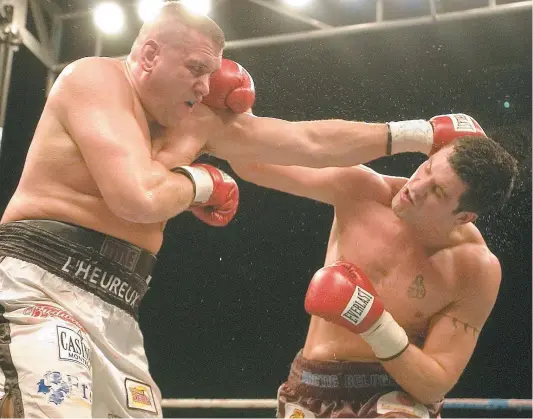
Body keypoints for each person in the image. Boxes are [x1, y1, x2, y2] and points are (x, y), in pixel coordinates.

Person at [0, 0, 492, 417]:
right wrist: (200, 180)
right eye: (194, 70)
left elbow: (306, 140)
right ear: (148, 55)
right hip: (41, 281)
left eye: (209, 74)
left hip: (117, 305)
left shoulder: (195, 122)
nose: (202, 86)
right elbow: (138, 197)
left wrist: (417, 133)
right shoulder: (94, 80)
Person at [230, 128, 518, 418]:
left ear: (464, 217)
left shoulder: (474, 268)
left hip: (394, 397)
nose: (416, 187)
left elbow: (434, 385)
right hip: (311, 387)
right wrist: (230, 110)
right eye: (427, 168)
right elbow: (250, 162)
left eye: (438, 191)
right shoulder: (360, 191)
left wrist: (374, 323)